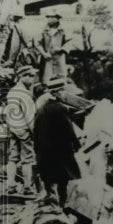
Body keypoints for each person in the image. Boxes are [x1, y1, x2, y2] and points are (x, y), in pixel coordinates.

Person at [33, 76, 81, 207]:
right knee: (64, 179)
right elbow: (69, 129)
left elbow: (35, 130)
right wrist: (77, 144)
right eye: (63, 91)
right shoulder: (61, 108)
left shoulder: (41, 109)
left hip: (45, 152)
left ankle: (50, 201)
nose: (65, 93)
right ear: (57, 93)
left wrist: (37, 149)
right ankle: (64, 205)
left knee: (49, 178)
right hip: (61, 151)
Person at [5, 65, 37, 195]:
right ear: (23, 76)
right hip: (24, 129)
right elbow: (29, 117)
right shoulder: (25, 94)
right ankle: (28, 187)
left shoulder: (12, 91)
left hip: (12, 127)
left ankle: (11, 186)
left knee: (12, 158)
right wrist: (35, 132)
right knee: (27, 159)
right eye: (30, 76)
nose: (33, 79)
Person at [39, 11, 72, 85]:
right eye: (48, 17)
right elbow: (38, 43)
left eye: (52, 17)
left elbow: (69, 41)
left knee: (60, 79)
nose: (49, 19)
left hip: (59, 59)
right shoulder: (43, 29)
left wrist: (61, 49)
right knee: (46, 80)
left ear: (57, 18)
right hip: (47, 59)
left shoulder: (63, 30)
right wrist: (44, 53)